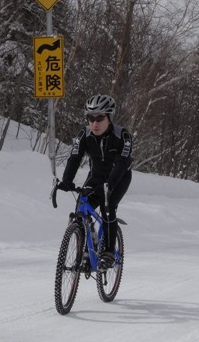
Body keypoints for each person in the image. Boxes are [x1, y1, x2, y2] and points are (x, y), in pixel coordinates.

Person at [58, 94, 132, 271]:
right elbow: (74, 158)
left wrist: (110, 184)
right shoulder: (84, 134)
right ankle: (84, 250)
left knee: (108, 207)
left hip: (119, 177)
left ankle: (107, 252)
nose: (95, 123)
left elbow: (122, 163)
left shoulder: (123, 135)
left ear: (110, 118)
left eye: (100, 118)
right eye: (90, 118)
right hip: (96, 177)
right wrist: (67, 180)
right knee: (82, 206)